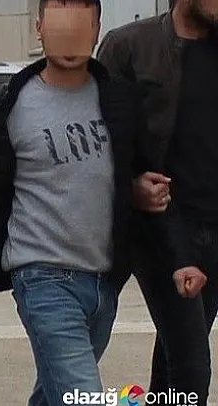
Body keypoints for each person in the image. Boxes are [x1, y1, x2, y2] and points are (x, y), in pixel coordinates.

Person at [0, 0, 153, 404]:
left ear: (96, 30)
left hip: (103, 280)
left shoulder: (117, 101)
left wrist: (139, 192)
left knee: (55, 394)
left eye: (80, 26)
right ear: (39, 29)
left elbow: (133, 175)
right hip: (42, 279)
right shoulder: (8, 107)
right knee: (81, 396)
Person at [97, 0, 215, 404]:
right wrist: (129, 185)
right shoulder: (129, 46)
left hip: (213, 229)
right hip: (161, 229)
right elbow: (98, 136)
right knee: (192, 367)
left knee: (174, 359)